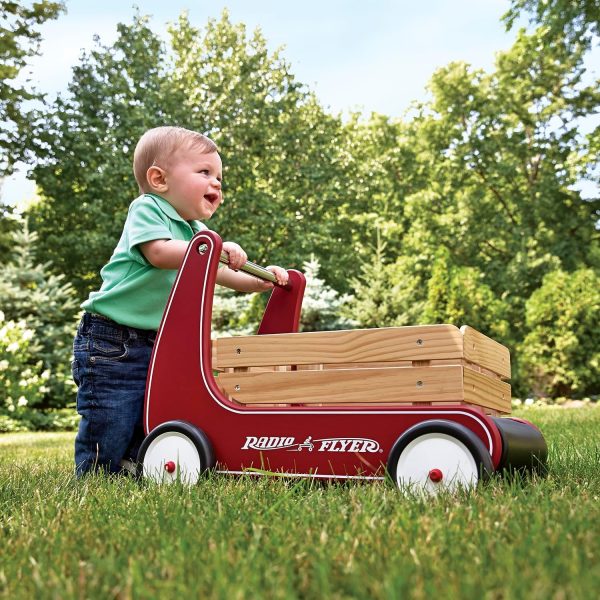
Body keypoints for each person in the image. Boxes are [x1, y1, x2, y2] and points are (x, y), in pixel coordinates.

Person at [72, 126, 289, 476]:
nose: (216, 183)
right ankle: (96, 473)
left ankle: (134, 466)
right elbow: (158, 252)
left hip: (155, 341)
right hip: (112, 339)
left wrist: (264, 281)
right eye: (204, 172)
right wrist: (212, 249)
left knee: (152, 410)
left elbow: (228, 276)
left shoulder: (197, 234)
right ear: (159, 179)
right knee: (112, 412)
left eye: (219, 176)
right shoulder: (148, 209)